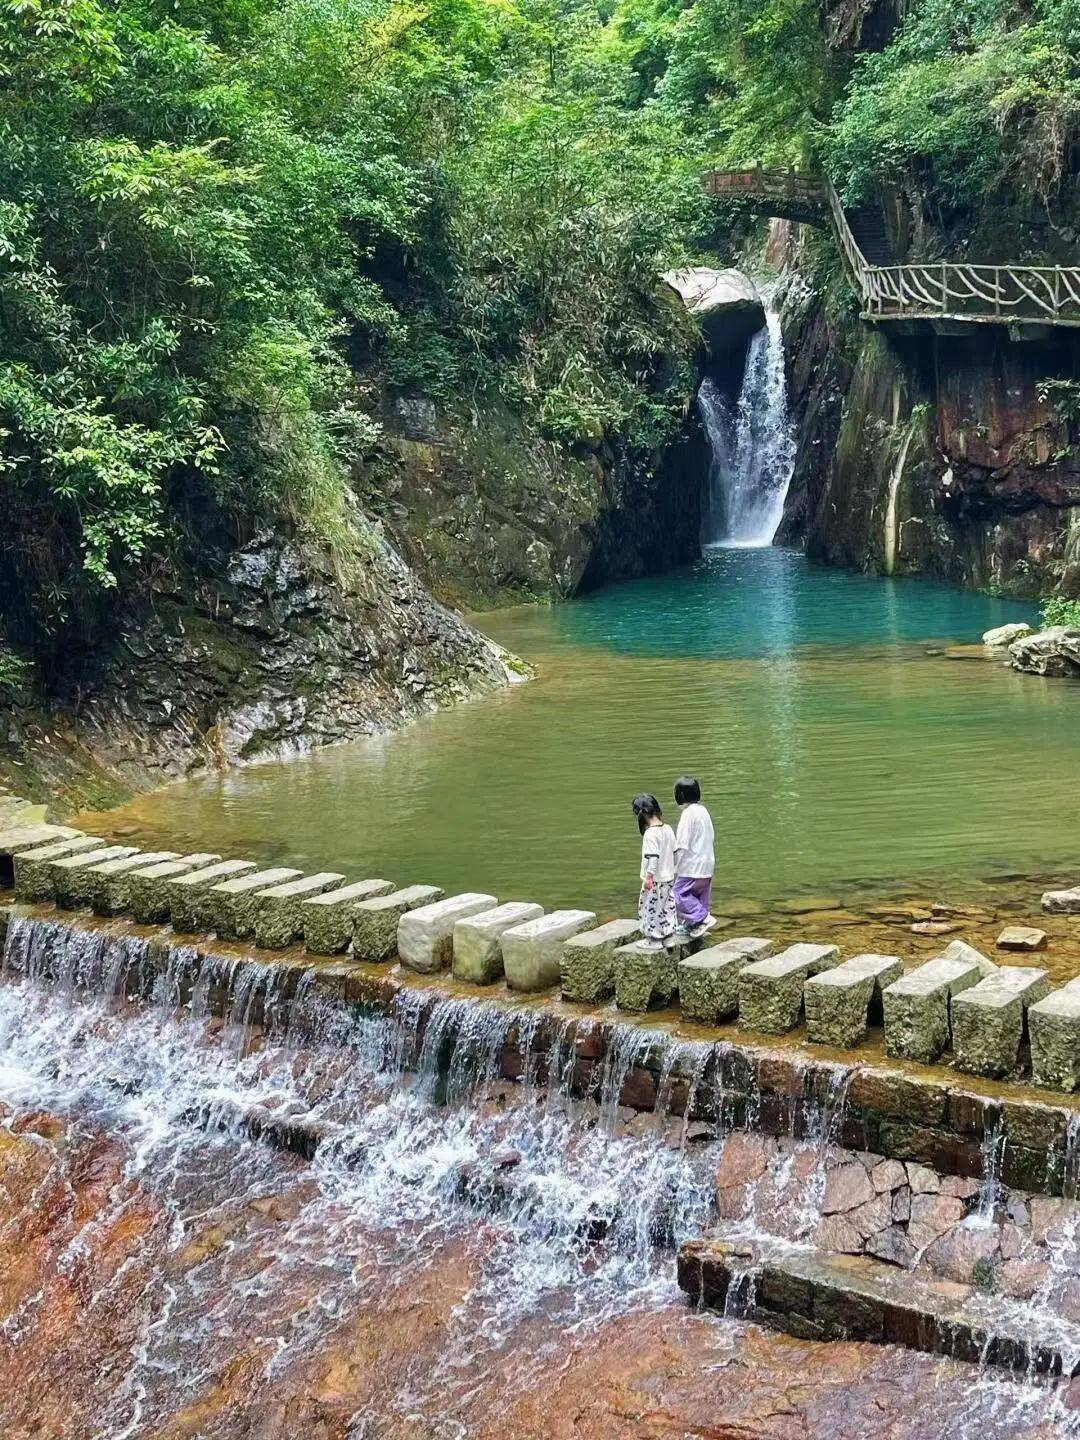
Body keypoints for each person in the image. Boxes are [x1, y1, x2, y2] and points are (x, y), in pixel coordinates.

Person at [632, 793, 678, 951]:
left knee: (650, 908)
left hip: (655, 878)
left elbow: (653, 857)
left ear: (641, 814)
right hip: (669, 876)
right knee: (667, 906)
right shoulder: (668, 829)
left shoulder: (651, 834)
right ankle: (669, 936)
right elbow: (675, 852)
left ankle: (654, 939)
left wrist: (649, 876)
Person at [673, 775, 716, 940]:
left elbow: (682, 843)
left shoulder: (688, 814)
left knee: (678, 894)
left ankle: (702, 917)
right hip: (707, 863)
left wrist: (674, 864)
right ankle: (693, 924)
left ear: (681, 796)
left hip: (692, 866)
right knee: (699, 896)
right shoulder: (703, 811)